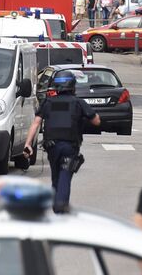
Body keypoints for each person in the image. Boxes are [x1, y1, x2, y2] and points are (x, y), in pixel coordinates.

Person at [24, 70, 100, 213]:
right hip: (70, 147)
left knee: (56, 176)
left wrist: (28, 144)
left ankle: (56, 205)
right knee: (65, 174)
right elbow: (96, 120)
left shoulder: (48, 102)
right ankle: (61, 205)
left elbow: (36, 123)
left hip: (52, 147)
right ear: (72, 86)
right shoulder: (78, 103)